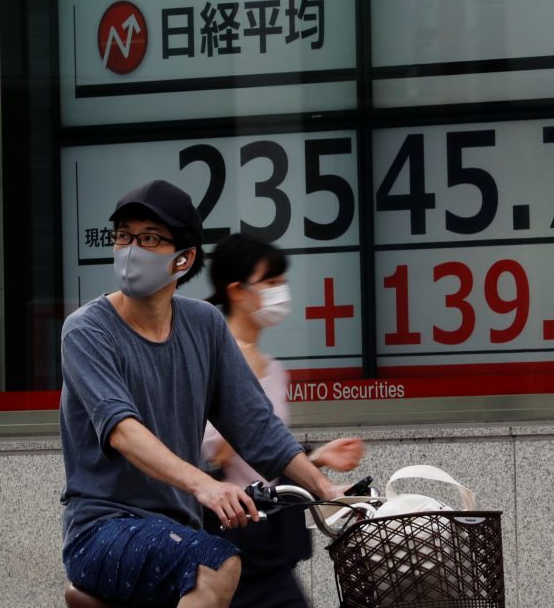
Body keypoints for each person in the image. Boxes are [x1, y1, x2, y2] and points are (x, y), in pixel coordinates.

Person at [60, 180, 350, 608]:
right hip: (102, 530)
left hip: (179, 532)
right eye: (124, 235)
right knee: (219, 563)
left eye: (150, 238)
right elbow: (122, 430)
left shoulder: (205, 326)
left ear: (184, 258)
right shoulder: (87, 330)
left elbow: (256, 426)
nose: (130, 249)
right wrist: (204, 486)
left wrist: (327, 490)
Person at [202, 233, 364, 607]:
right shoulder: (213, 358)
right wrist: (242, 385)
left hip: (269, 542)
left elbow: (265, 457)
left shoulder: (273, 368)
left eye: (281, 282)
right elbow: (210, 454)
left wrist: (319, 457)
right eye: (270, 282)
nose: (280, 291)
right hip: (227, 540)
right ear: (237, 292)